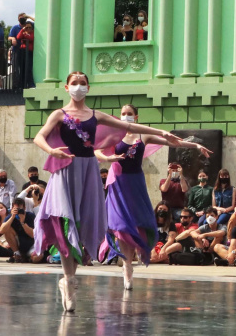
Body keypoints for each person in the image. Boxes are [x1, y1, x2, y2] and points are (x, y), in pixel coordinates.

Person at [31, 71, 179, 312]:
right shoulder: (59, 114)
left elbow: (127, 125)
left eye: (83, 83)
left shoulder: (96, 115)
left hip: (88, 170)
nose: (79, 86)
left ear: (88, 87)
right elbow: (39, 136)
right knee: (66, 220)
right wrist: (51, 150)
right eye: (74, 83)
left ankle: (69, 279)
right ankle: (69, 280)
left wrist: (161, 132)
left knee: (82, 223)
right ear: (66, 87)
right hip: (66, 170)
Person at [98, 103, 209, 289]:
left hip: (136, 184)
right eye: (123, 113)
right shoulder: (115, 135)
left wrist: (195, 145)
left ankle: (132, 258)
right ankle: (127, 265)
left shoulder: (144, 135)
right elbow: (96, 149)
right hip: (118, 183)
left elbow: (171, 141)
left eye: (129, 113)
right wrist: (107, 158)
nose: (125, 116)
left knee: (137, 223)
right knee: (121, 225)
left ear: (136, 116)